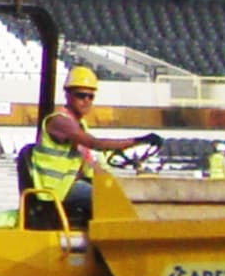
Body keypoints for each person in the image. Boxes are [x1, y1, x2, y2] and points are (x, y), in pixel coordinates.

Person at [21, 61, 157, 228]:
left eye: (90, 96)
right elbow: (95, 143)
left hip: (68, 185)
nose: (86, 101)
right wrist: (137, 141)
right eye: (80, 95)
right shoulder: (59, 122)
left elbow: (87, 163)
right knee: (107, 200)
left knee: (114, 193)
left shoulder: (79, 125)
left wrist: (110, 181)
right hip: (56, 189)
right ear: (68, 95)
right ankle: (108, 248)